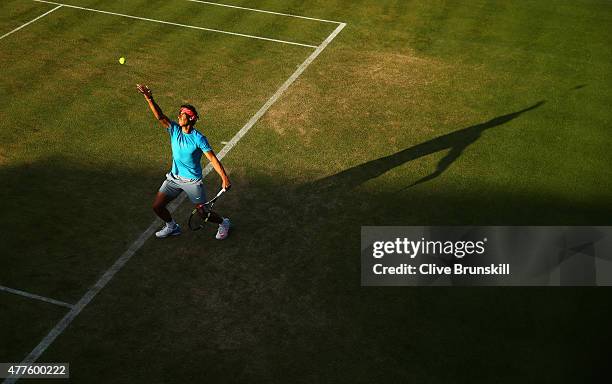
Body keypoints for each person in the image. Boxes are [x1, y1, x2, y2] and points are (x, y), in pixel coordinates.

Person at [136, 84, 231, 239]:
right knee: (157, 206)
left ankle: (223, 222)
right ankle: (172, 226)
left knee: (202, 213)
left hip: (192, 182)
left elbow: (212, 158)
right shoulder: (174, 129)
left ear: (191, 118)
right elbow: (160, 116)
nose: (179, 116)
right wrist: (149, 98)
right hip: (174, 178)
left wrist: (224, 177)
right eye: (179, 114)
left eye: (182, 114)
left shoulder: (198, 138)